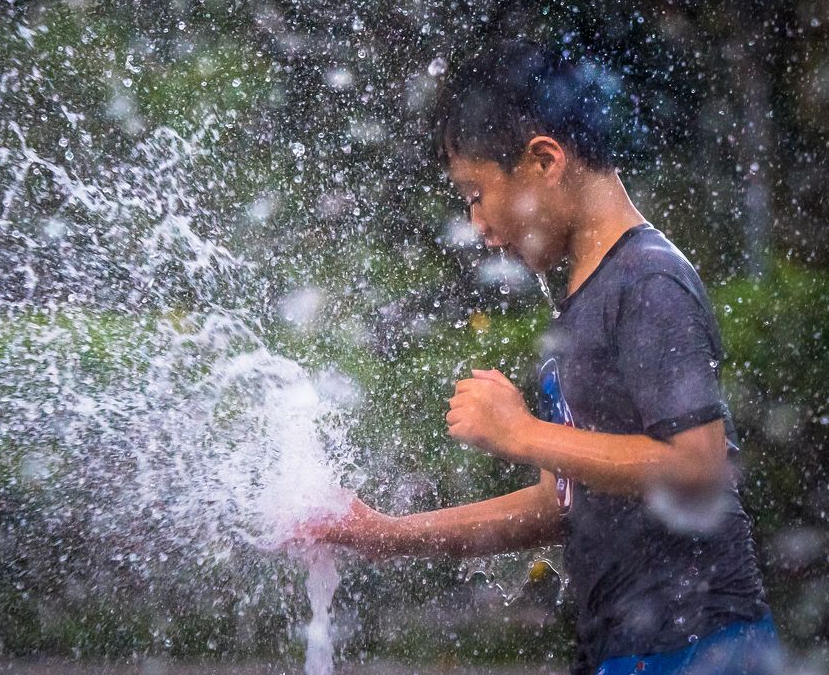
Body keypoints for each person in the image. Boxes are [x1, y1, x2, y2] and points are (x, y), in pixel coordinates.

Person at [306, 41, 781, 675]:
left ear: (544, 160)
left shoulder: (647, 280)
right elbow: (561, 503)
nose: (476, 223)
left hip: (699, 644)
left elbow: (698, 470)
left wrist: (522, 432)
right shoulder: (586, 292)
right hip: (631, 646)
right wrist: (383, 534)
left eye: (477, 193)